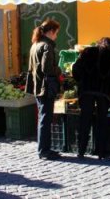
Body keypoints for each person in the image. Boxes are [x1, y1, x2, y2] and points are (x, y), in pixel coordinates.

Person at [72, 37, 110, 160]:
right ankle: (101, 152)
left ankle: (81, 150)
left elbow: (76, 69)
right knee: (102, 121)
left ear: (98, 43)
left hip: (87, 91)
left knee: (84, 120)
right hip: (105, 94)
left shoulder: (87, 52)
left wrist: (81, 82)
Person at [26, 18, 61, 160]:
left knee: (43, 118)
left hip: (38, 85)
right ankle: (44, 150)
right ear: (51, 32)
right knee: (45, 119)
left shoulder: (35, 44)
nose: (56, 36)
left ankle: (44, 148)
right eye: (56, 33)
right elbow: (47, 68)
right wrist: (59, 70)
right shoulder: (47, 46)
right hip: (45, 87)